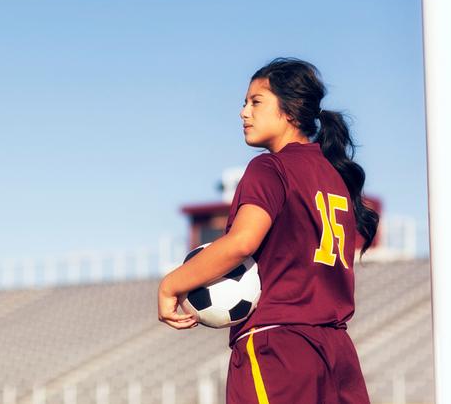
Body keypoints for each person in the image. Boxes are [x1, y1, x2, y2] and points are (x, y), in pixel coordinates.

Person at [157, 57, 379, 403]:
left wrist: (172, 283)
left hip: (279, 348)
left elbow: (242, 242)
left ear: (290, 110)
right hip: (337, 351)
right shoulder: (337, 174)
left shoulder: (269, 168)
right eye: (244, 104)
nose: (244, 113)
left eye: (256, 102)